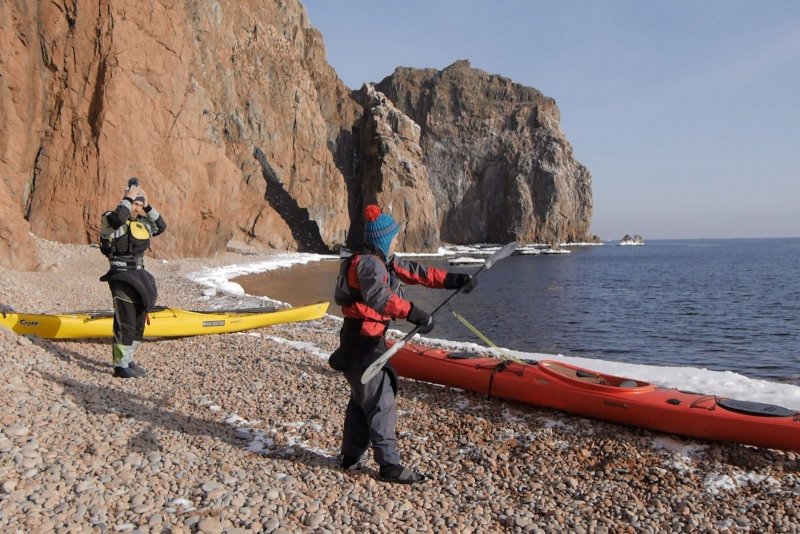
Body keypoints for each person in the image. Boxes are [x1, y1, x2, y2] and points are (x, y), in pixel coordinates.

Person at [328, 204, 476, 484]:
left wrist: (455, 280)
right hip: (363, 342)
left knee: (362, 400)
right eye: (395, 236)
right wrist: (413, 313)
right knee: (381, 399)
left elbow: (419, 273)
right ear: (384, 238)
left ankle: (350, 457)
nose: (398, 240)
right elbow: (380, 297)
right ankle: (389, 466)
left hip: (362, 339)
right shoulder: (369, 264)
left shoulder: (383, 259)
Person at [99, 178, 166, 378]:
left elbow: (161, 226)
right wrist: (128, 198)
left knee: (138, 322)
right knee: (125, 321)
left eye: (138, 205)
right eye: (134, 204)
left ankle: (128, 359)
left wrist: (148, 205)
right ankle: (120, 366)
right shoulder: (110, 219)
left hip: (139, 276)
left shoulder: (143, 224)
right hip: (120, 276)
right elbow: (118, 219)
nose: (135, 208)